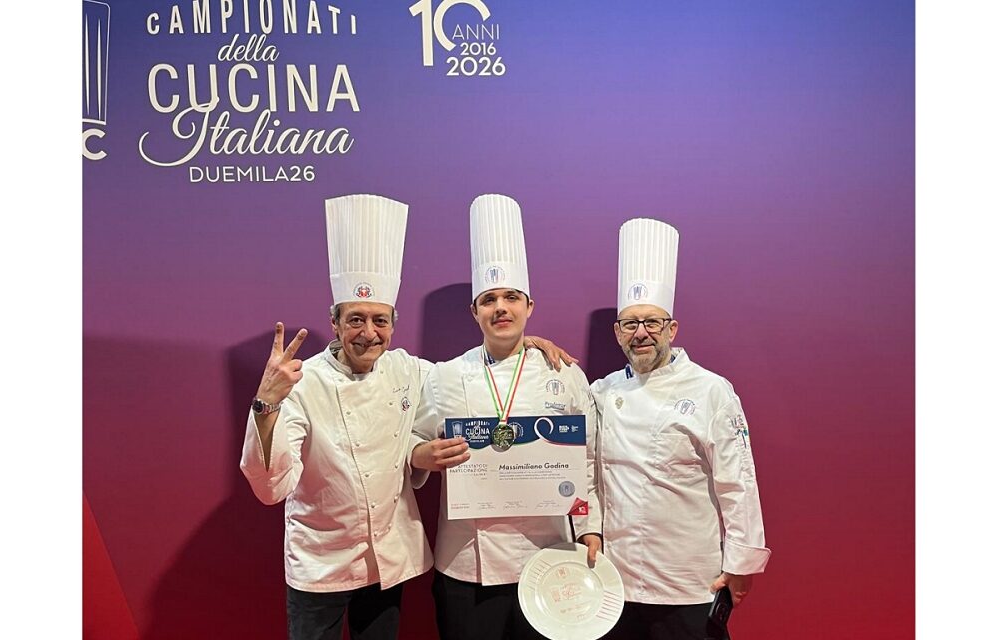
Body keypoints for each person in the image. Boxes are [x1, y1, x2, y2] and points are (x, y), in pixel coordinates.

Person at [241, 194, 575, 640]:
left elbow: (475, 373)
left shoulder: (409, 370)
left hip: (386, 561)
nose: (368, 332)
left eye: (380, 320)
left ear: (393, 324)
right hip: (320, 561)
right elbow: (271, 487)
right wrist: (266, 403)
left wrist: (518, 341)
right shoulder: (302, 382)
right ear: (335, 322)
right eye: (355, 319)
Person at [409, 194, 603, 640]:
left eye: (512, 297)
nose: (501, 307)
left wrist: (591, 528)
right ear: (474, 311)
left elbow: (588, 459)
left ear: (529, 306)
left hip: (549, 555)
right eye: (489, 299)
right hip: (466, 561)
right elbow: (413, 444)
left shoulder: (565, 372)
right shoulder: (445, 376)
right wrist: (425, 455)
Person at [592, 218, 771, 640]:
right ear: (617, 333)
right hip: (615, 580)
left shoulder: (711, 390)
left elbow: (738, 482)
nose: (641, 334)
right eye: (631, 324)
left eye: (652, 323)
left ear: (672, 329)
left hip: (688, 579)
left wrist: (740, 563)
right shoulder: (601, 391)